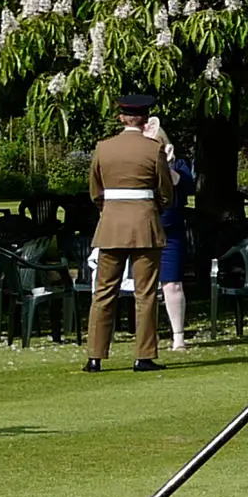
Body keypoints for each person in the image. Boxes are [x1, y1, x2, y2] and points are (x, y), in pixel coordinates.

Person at [83, 89, 170, 371]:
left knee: (103, 292)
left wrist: (110, 211)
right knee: (145, 294)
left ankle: (95, 356)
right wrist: (154, 208)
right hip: (145, 225)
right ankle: (143, 356)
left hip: (111, 226)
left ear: (121, 117)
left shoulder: (103, 148)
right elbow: (165, 191)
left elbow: (95, 191)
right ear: (145, 119)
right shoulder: (153, 149)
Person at [147, 117, 193, 350]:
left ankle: (178, 337)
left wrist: (167, 165)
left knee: (173, 284)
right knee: (144, 286)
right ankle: (147, 338)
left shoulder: (179, 164)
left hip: (171, 230)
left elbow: (184, 185)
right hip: (145, 228)